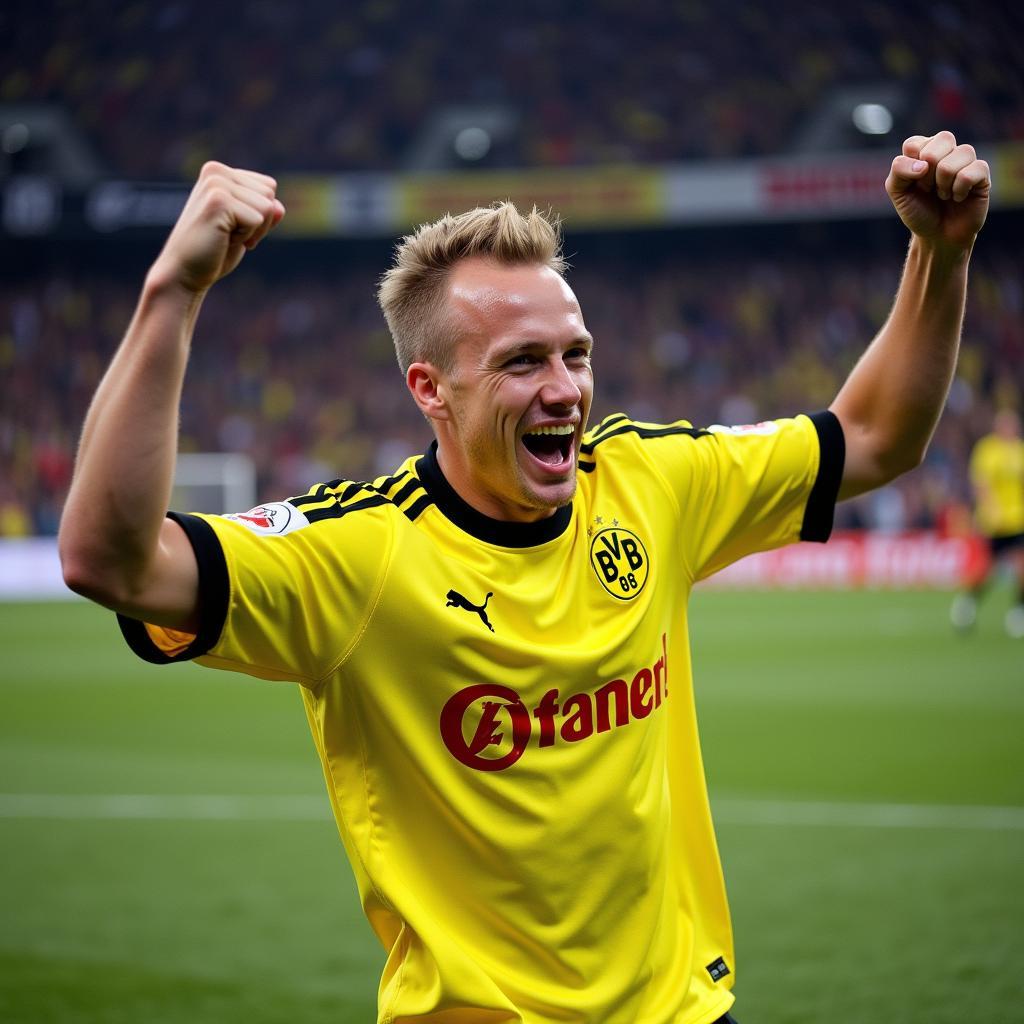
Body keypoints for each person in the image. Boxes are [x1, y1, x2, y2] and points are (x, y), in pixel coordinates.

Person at [59, 130, 989, 1024]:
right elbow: (109, 560)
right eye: (521, 362)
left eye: (575, 353)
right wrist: (171, 292)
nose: (565, 389)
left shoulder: (649, 483)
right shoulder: (357, 557)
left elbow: (873, 438)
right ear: (432, 389)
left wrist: (941, 257)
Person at [951, 408, 1024, 637]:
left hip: (1017, 520)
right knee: (986, 571)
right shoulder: (988, 450)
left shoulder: (1020, 451)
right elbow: (981, 484)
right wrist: (990, 510)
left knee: (1022, 567)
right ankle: (967, 602)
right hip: (994, 521)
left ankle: (1018, 613)